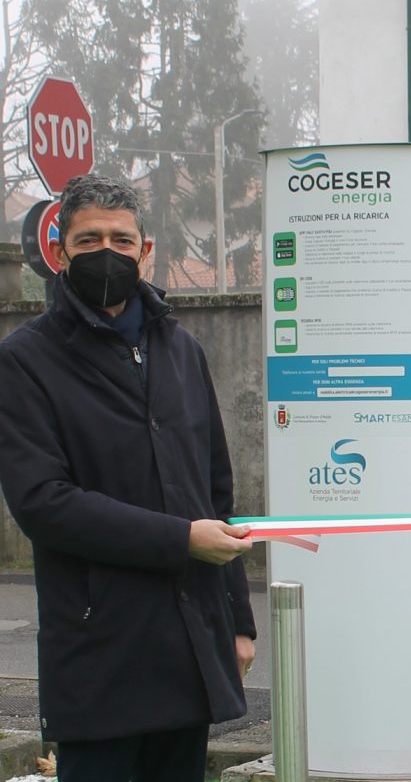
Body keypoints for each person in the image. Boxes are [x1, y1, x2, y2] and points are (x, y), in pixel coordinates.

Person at [0, 174, 257, 782]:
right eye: (89, 240)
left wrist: (239, 621)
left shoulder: (181, 350)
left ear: (145, 251)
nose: (106, 253)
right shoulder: (26, 361)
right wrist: (180, 539)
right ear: (59, 252)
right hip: (100, 656)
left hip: (188, 648)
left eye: (121, 239)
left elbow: (217, 494)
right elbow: (43, 503)